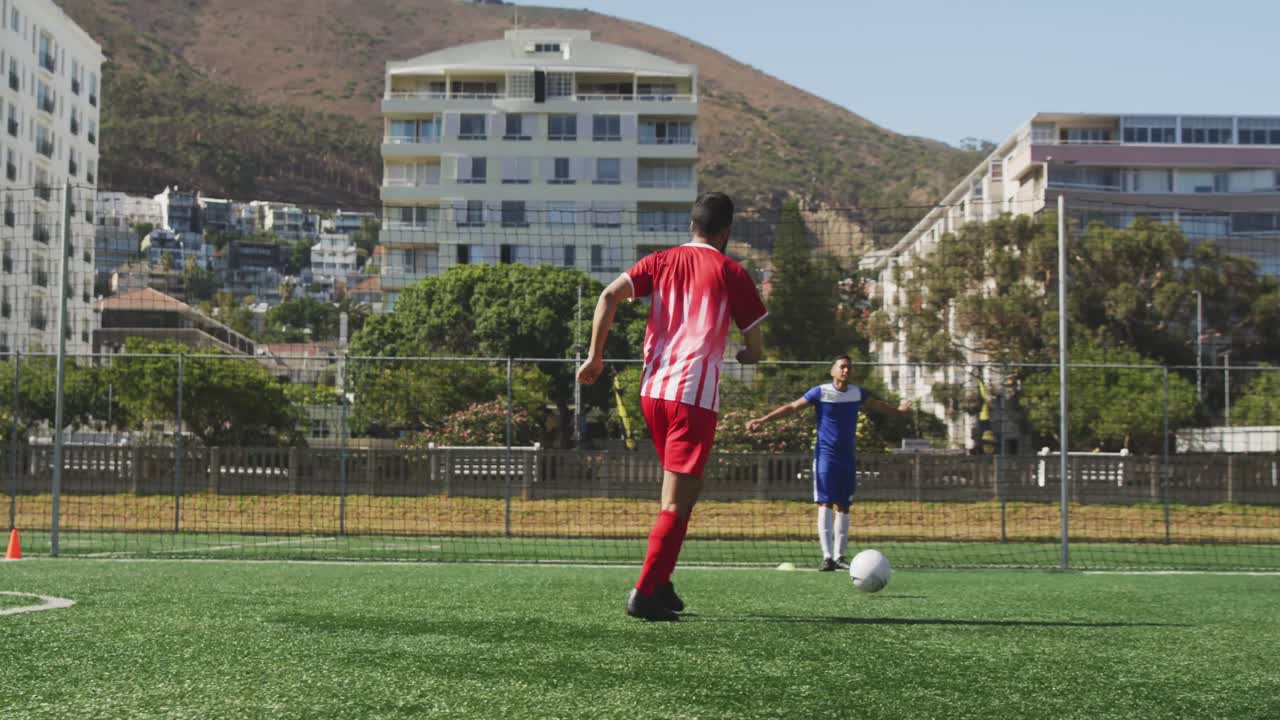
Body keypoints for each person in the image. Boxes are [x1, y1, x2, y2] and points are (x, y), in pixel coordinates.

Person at [577, 192, 767, 621]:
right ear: (726, 233)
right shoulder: (731, 271)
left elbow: (608, 295)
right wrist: (747, 356)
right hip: (692, 398)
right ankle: (644, 593)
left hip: (653, 392)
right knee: (676, 504)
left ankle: (662, 582)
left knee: (685, 491)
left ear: (691, 226)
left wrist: (595, 356)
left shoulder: (661, 261)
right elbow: (755, 345)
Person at [745, 356, 909, 571]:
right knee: (825, 502)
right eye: (842, 366)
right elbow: (793, 407)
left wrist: (899, 411)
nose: (846, 370)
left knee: (844, 505)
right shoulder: (820, 392)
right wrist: (763, 420)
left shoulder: (857, 393)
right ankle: (827, 557)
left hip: (848, 458)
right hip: (826, 457)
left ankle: (840, 557)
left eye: (849, 367)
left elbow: (878, 405)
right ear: (833, 371)